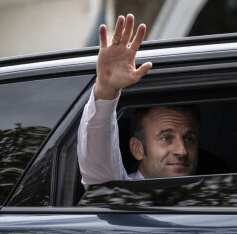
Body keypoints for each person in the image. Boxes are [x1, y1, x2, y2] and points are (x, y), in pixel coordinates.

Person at [77, 14, 200, 187]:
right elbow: (98, 166)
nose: (182, 151)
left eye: (189, 139)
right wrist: (106, 90)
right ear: (138, 149)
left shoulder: (214, 202)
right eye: (166, 138)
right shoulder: (121, 198)